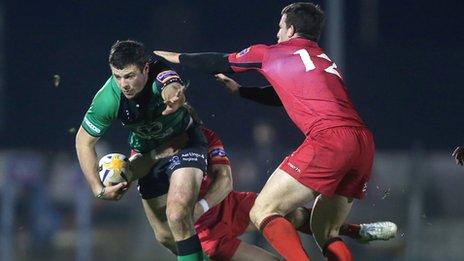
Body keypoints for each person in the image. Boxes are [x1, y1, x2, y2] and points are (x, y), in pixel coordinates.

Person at [155, 2, 375, 260]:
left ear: (291, 29)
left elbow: (220, 61)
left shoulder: (272, 53)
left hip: (329, 139)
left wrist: (177, 58)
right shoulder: (321, 59)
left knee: (263, 211)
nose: (277, 34)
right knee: (325, 230)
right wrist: (242, 91)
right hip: (362, 143)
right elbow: (281, 96)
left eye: (280, 28)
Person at [146, 125, 396, 261]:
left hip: (231, 205)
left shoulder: (205, 136)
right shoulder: (149, 156)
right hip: (208, 236)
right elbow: (160, 226)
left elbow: (224, 183)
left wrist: (199, 208)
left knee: (295, 215)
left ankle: (356, 231)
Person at [75, 40, 208, 261]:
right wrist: (98, 189)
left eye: (129, 76)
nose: (123, 84)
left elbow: (172, 87)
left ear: (145, 68)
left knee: (177, 214)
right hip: (148, 153)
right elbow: (83, 141)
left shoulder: (160, 74)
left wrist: (175, 98)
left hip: (183, 143)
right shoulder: (108, 99)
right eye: (117, 76)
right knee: (165, 236)